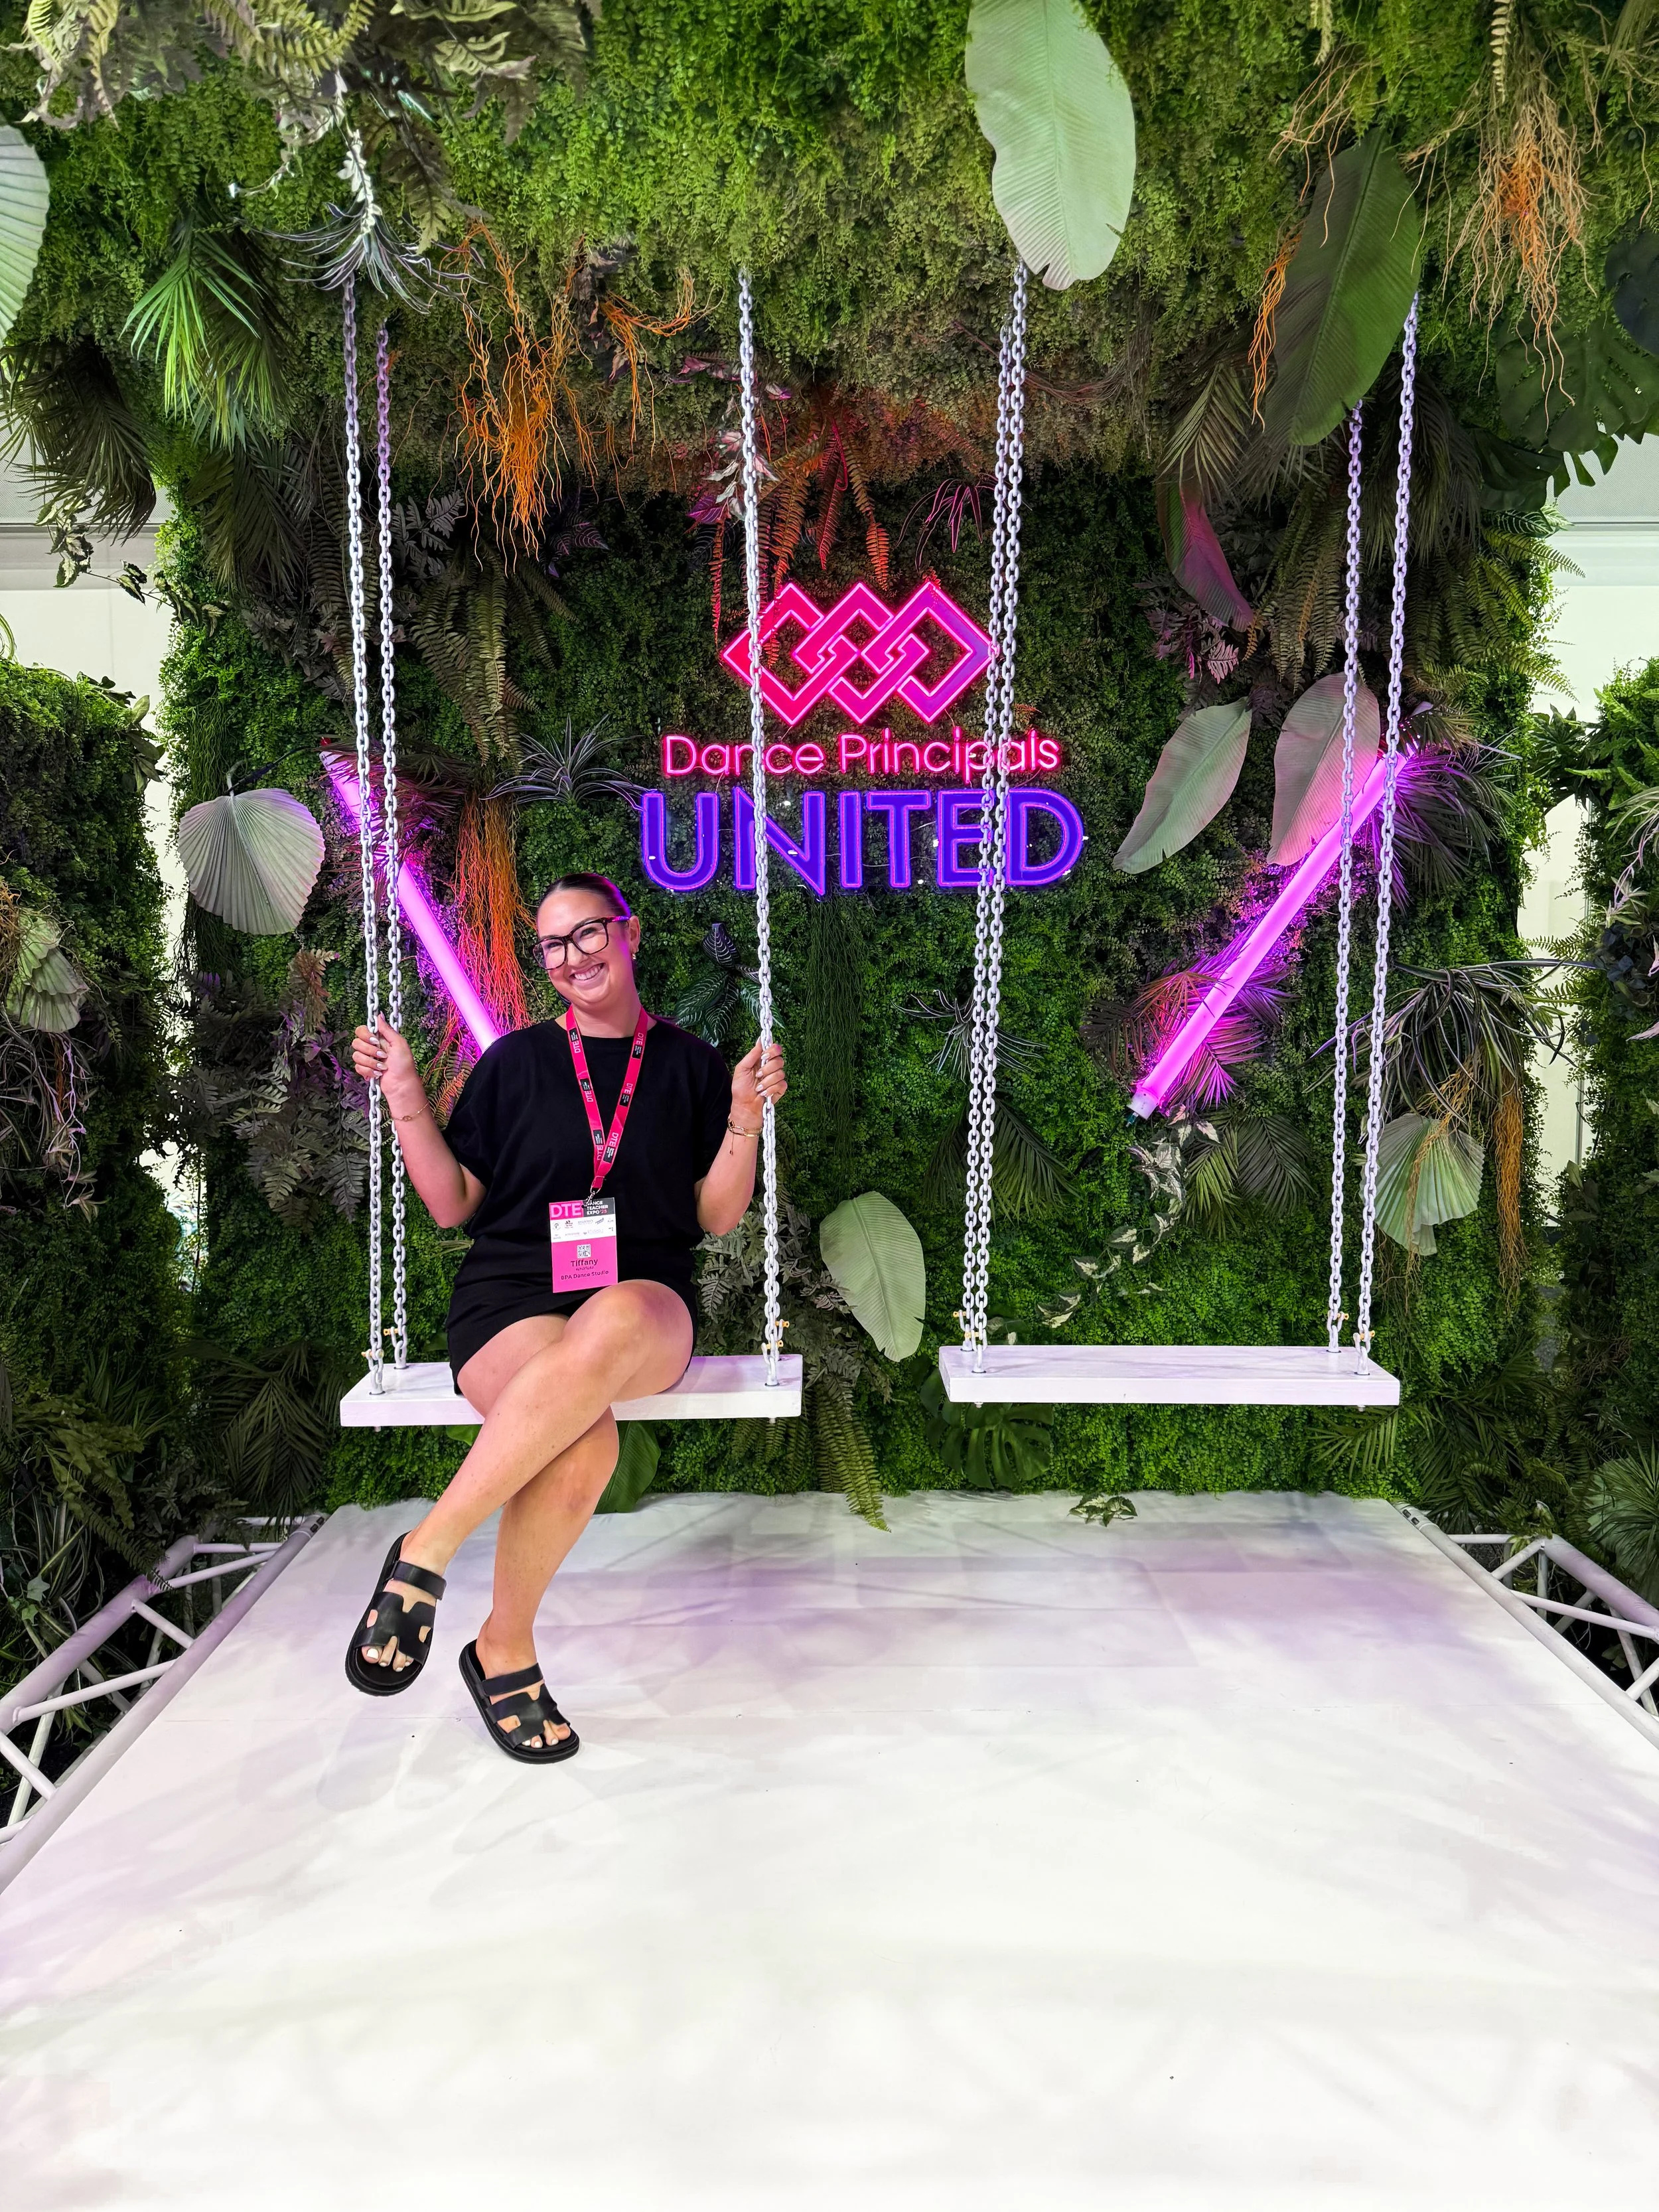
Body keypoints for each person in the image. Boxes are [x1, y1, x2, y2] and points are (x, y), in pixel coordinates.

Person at [344, 871, 786, 1763]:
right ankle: (504, 1648)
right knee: (586, 1444)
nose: (573, 956)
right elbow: (453, 1203)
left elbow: (715, 1217)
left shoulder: (694, 1066)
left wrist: (743, 1118)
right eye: (553, 945)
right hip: (512, 1296)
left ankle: (427, 1550)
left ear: (628, 934)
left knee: (616, 1318)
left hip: (643, 1299)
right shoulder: (514, 1062)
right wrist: (403, 1097)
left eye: (588, 933)